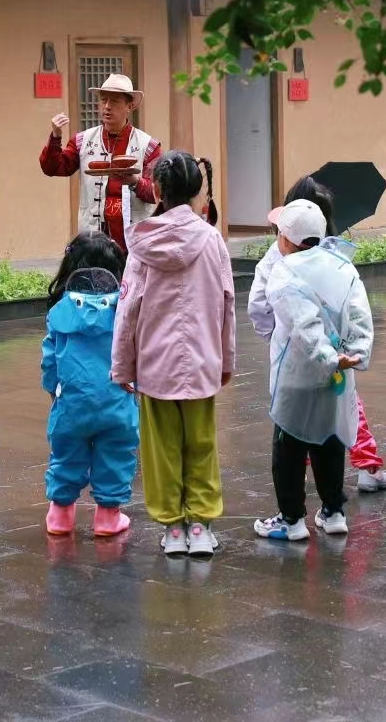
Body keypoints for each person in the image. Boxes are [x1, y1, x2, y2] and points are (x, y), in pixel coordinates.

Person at [111, 151, 235, 558]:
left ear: (158, 191)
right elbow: (227, 303)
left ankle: (173, 529)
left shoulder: (142, 243)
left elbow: (128, 309)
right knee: (201, 443)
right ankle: (200, 525)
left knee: (160, 448)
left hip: (155, 362)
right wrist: (226, 359)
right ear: (197, 190)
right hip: (201, 358)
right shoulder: (212, 240)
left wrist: (122, 365)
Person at [247, 175, 386, 492]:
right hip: (336, 352)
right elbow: (355, 308)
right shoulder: (335, 258)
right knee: (346, 407)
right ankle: (364, 470)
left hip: (292, 359)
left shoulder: (276, 256)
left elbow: (258, 306)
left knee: (293, 420)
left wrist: (276, 336)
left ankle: (296, 483)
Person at [253, 200, 373, 541]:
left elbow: (302, 324)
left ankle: (291, 519)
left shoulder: (284, 272)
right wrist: (355, 352)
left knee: (289, 444)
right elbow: (360, 313)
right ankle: (334, 512)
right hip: (338, 373)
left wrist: (325, 356)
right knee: (329, 437)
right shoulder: (341, 265)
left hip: (296, 375)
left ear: (285, 239)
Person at [42, 231, 137, 539]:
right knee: (116, 456)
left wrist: (54, 389)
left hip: (71, 402)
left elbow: (50, 361)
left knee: (66, 456)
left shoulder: (60, 312)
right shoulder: (125, 309)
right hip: (117, 400)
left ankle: (60, 515)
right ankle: (108, 517)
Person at [39, 73, 163, 252]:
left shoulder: (148, 146)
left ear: (129, 106)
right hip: (93, 238)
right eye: (103, 100)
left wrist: (135, 182)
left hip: (134, 241)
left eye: (114, 101)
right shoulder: (83, 140)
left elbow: (157, 193)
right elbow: (53, 168)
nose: (107, 107)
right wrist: (56, 136)